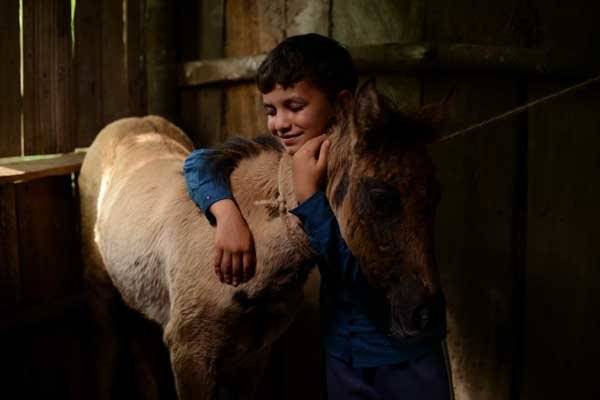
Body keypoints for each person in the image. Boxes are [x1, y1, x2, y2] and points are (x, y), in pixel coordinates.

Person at [183, 33, 451, 400]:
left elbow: (365, 273)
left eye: (294, 106)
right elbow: (197, 163)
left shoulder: (374, 169)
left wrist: (310, 197)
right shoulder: (301, 155)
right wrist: (227, 214)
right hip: (343, 350)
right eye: (271, 110)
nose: (280, 123)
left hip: (403, 353)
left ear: (341, 106)